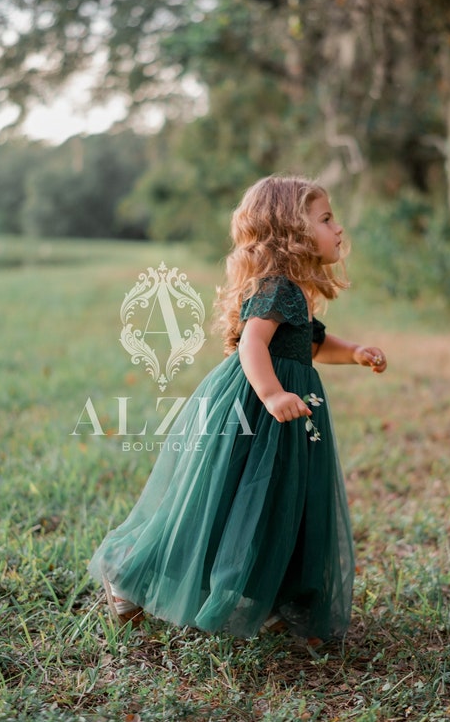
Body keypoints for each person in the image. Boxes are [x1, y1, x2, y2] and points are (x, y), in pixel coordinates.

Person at [88, 175, 387, 642]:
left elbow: (312, 343)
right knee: (225, 503)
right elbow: (253, 343)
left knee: (278, 502)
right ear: (291, 230)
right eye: (326, 218)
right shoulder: (278, 288)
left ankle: (266, 592)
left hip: (287, 414)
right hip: (256, 407)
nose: (339, 228)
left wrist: (354, 353)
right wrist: (271, 394)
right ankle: (128, 576)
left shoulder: (295, 291)